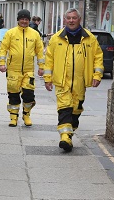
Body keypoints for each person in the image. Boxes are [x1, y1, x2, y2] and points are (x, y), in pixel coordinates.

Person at [43, 8, 104, 152]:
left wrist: (97, 75)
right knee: (64, 108)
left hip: (80, 82)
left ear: (79, 19)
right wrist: (47, 78)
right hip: (62, 81)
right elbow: (49, 59)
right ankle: (64, 137)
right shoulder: (56, 38)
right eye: (68, 18)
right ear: (64, 20)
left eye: (74, 18)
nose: (71, 20)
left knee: (76, 110)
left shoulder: (89, 38)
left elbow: (98, 57)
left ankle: (69, 135)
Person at [0, 9, 44, 127]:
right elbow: (3, 49)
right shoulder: (11, 33)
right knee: (13, 94)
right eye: (22, 19)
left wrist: (41, 66)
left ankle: (26, 115)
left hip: (28, 70)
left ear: (29, 20)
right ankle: (13, 117)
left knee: (29, 95)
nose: (24, 21)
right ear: (18, 20)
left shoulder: (34, 34)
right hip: (13, 70)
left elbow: (40, 51)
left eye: (26, 19)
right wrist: (2, 63)